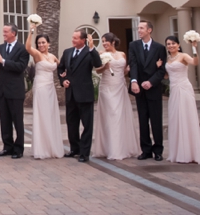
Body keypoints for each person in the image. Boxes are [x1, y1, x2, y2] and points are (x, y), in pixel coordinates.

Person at [93, 33, 139, 161]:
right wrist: (105, 67)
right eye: (103, 41)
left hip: (120, 87)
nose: (104, 43)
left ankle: (123, 147)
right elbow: (97, 70)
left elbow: (123, 72)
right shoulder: (101, 54)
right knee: (112, 116)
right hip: (107, 88)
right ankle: (111, 148)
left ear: (113, 41)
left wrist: (127, 71)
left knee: (120, 116)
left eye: (106, 41)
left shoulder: (122, 54)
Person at [58, 29, 102, 162]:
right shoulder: (67, 52)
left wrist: (92, 47)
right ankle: (74, 149)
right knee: (71, 123)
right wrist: (62, 81)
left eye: (76, 38)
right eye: (73, 37)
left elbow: (97, 64)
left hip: (84, 93)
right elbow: (60, 68)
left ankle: (84, 152)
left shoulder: (89, 52)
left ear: (83, 40)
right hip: (70, 93)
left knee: (87, 124)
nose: (73, 40)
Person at [128, 20, 168, 161]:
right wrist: (134, 81)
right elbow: (133, 64)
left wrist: (151, 82)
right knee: (142, 120)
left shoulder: (159, 48)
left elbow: (162, 69)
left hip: (153, 89)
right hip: (139, 89)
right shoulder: (133, 45)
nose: (139, 30)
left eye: (142, 28)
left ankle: (158, 150)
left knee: (156, 121)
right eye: (138, 28)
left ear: (149, 30)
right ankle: (145, 150)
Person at [0, 23, 30, 159]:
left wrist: (3, 61)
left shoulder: (23, 49)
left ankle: (18, 149)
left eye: (6, 32)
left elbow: (20, 67)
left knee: (17, 120)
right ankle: (7, 146)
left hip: (15, 90)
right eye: (3, 31)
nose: (4, 34)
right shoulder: (0, 47)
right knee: (4, 120)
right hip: (2, 89)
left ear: (14, 33)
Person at [25, 26, 62, 159]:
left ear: (48, 44)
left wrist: (65, 75)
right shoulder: (37, 54)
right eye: (39, 43)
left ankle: (51, 145)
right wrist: (31, 32)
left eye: (43, 42)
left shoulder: (52, 56)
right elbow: (28, 47)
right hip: (40, 87)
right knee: (42, 114)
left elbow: (62, 66)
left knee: (50, 114)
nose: (41, 45)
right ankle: (42, 148)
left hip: (51, 88)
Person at [165, 35, 200, 164]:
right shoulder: (168, 58)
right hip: (174, 90)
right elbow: (166, 75)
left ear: (178, 45)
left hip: (184, 89)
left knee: (186, 117)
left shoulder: (183, 56)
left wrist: (194, 49)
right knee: (175, 118)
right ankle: (177, 151)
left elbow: (195, 62)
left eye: (173, 43)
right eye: (168, 44)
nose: (171, 46)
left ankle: (189, 152)